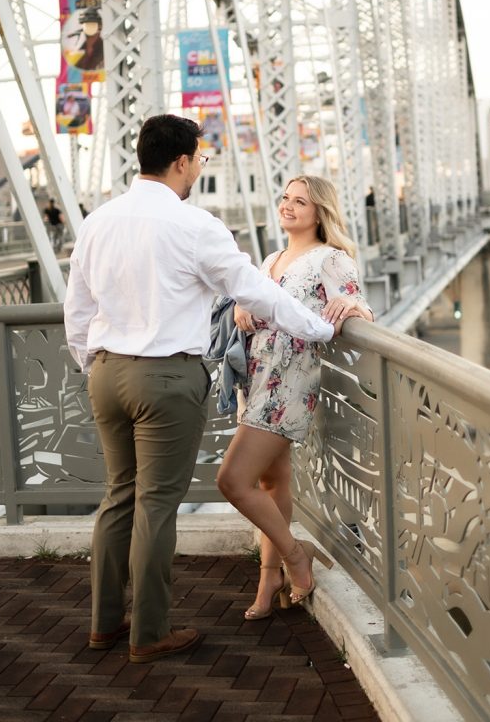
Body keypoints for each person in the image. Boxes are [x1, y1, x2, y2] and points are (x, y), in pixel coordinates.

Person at [63, 115, 341, 665]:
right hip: (166, 377)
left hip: (106, 373)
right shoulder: (195, 226)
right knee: (157, 505)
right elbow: (257, 292)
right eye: (200, 159)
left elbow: (78, 310)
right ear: (183, 161)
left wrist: (94, 361)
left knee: (119, 495)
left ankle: (104, 624)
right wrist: (322, 327)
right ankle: (150, 631)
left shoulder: (99, 221)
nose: (199, 169)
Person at [216, 175, 373, 620]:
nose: (288, 206)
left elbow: (359, 308)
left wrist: (354, 309)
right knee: (271, 483)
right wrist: (239, 306)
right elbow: (251, 301)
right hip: (256, 378)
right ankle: (270, 576)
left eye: (300, 201)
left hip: (289, 385)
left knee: (232, 480)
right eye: (285, 197)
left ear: (319, 211)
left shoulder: (331, 259)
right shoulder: (272, 259)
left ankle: (295, 554)